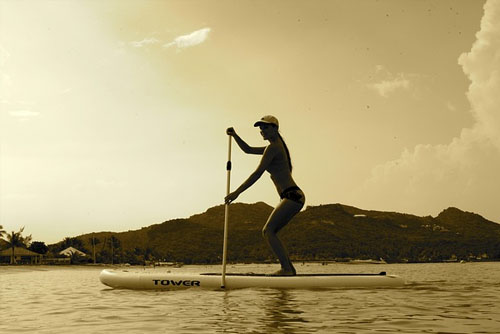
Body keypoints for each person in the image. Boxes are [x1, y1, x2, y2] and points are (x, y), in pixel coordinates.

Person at [225, 115, 305, 276]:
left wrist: (237, 192)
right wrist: (235, 136)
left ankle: (287, 269)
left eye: (266, 127)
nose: (262, 131)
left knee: (268, 231)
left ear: (275, 129)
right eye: (260, 128)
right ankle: (289, 269)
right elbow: (248, 150)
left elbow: (257, 173)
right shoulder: (274, 146)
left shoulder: (274, 147)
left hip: (292, 196)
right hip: (292, 196)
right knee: (271, 232)